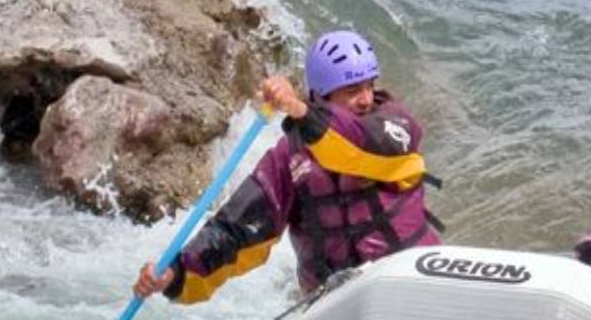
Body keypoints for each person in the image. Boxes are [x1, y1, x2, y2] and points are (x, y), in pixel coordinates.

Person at [131, 30, 440, 305]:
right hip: (334, 302)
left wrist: (301, 112)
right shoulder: (288, 158)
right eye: (352, 90)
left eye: (369, 86)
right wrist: (175, 273)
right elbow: (237, 228)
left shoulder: (393, 126)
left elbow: (354, 149)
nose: (365, 99)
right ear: (321, 96)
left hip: (405, 276)